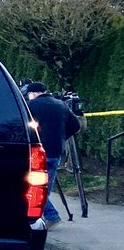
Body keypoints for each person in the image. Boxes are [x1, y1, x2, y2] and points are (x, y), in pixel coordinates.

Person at [22, 81, 85, 228]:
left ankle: (51, 216)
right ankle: (47, 215)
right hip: (56, 151)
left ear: (33, 94)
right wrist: (62, 137)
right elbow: (75, 125)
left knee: (36, 188)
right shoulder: (61, 105)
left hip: (38, 152)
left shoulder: (32, 106)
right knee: (45, 186)